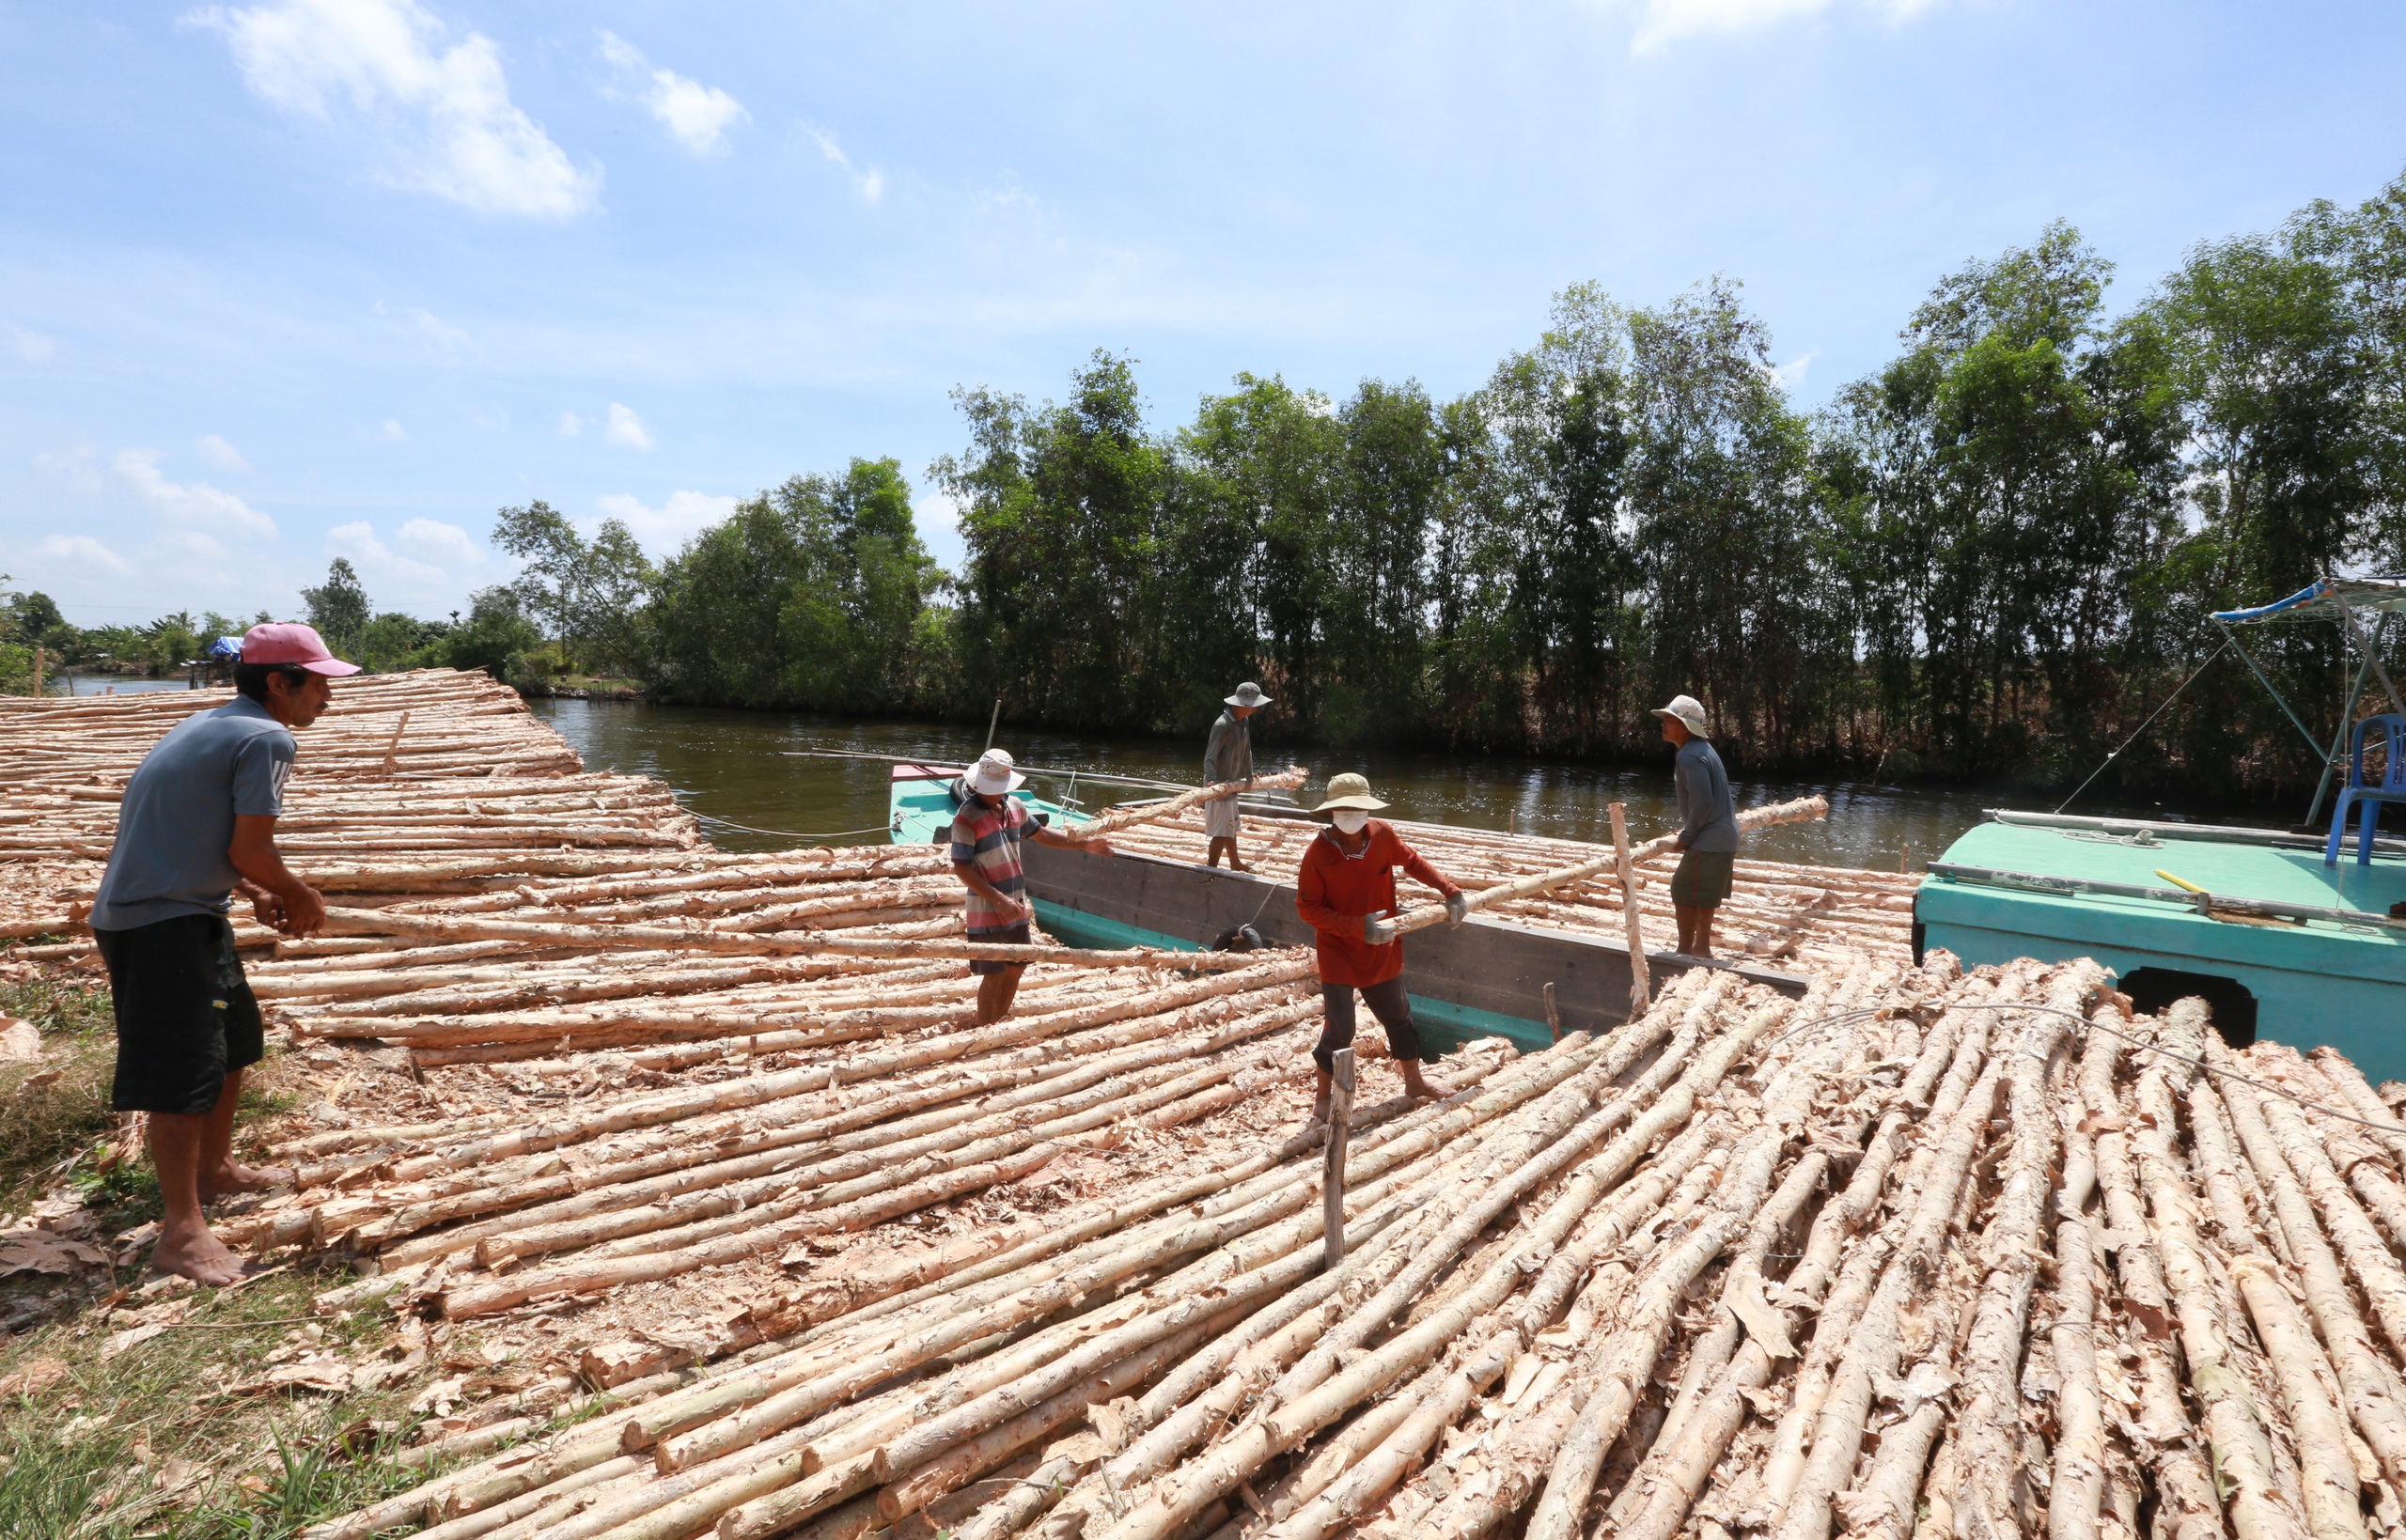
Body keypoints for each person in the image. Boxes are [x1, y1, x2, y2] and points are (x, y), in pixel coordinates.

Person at [86, 622, 356, 1284]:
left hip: (178, 908)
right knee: (183, 1070)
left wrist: (243, 888)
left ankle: (214, 1169)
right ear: (278, 683)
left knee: (235, 1039)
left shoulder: (211, 722)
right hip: (160, 922)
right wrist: (294, 891)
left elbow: (183, 827)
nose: (327, 695)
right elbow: (251, 847)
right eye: (318, 682)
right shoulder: (267, 736)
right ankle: (180, 1231)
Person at [1294, 772, 1471, 1121]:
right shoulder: (1318, 854)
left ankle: (1415, 1081)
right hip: (1339, 951)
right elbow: (1307, 909)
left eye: (1357, 809)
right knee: (1341, 1028)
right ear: (1331, 812)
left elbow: (1412, 861)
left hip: (1381, 947)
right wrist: (1357, 927)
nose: (1351, 815)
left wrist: (1449, 890)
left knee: (1399, 1017)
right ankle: (1323, 1095)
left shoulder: (1382, 835)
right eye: (1344, 809)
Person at [949, 749, 1115, 1024]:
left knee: (1017, 966)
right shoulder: (967, 818)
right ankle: (984, 1029)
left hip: (1015, 901)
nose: (992, 794)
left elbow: (1042, 835)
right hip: (987, 907)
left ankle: (999, 1022)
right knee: (993, 972)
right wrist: (998, 899)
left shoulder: (1014, 806)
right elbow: (961, 867)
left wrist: (1084, 844)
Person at [1652, 692, 1739, 959]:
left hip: (1709, 838)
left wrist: (1687, 837)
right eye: (1665, 719)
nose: (1663, 724)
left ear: (1685, 725)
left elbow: (1702, 803)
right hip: (1722, 837)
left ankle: (1689, 950)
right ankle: (1700, 949)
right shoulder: (1702, 750)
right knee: (1700, 894)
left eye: (1670, 720)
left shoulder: (1690, 756)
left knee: (1683, 890)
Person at [1203, 682, 1269, 870]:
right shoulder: (1222, 725)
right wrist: (1212, 784)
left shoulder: (1244, 722)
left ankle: (1235, 863)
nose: (1255, 708)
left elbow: (1246, 751)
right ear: (1242, 704)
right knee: (1222, 832)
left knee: (1230, 826)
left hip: (1232, 784)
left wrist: (1249, 776)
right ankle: (1211, 868)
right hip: (1218, 785)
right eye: (1252, 704)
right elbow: (1210, 757)